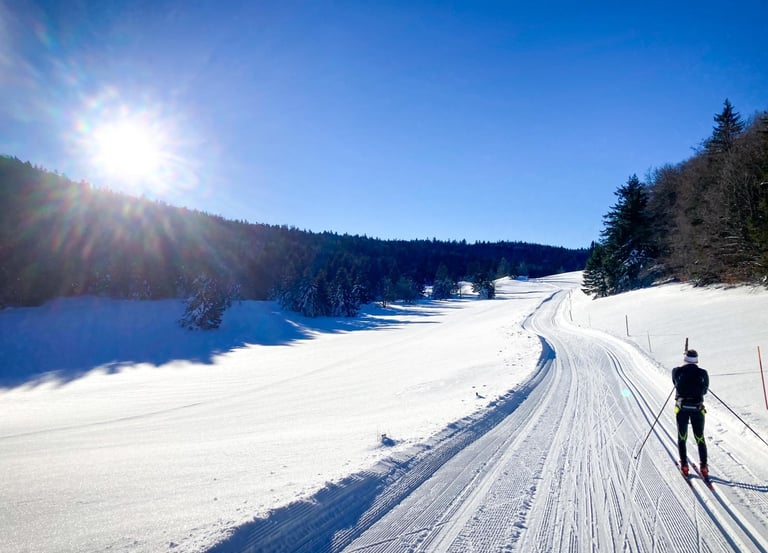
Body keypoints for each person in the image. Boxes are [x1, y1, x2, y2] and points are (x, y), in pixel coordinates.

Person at [672, 349, 710, 478]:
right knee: (700, 437)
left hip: (681, 408)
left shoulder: (677, 371)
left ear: (685, 358)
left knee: (682, 437)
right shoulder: (703, 373)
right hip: (697, 409)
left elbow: (675, 383)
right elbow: (704, 390)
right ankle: (704, 467)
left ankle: (684, 465)